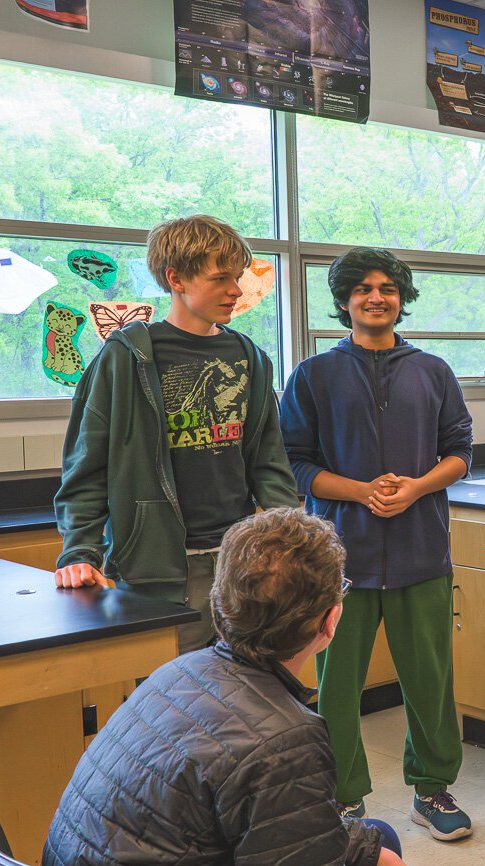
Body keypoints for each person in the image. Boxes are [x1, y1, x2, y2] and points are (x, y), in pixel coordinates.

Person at [43, 509, 485, 866]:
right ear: (330, 621)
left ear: (221, 602)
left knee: (376, 837)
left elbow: (271, 834)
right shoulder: (285, 739)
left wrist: (373, 856)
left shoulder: (179, 672)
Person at [278, 248, 475, 839]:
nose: (376, 296)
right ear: (343, 301)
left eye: (388, 287)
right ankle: (342, 799)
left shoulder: (432, 370)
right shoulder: (314, 375)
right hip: (339, 559)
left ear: (401, 298)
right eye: (362, 288)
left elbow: (461, 452)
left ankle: (433, 790)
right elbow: (296, 462)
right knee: (336, 684)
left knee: (430, 680)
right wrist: (362, 492)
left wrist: (415, 489)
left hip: (421, 551)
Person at [54, 214, 299, 653]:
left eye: (238, 277)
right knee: (164, 700)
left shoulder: (251, 358)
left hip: (238, 564)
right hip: (157, 568)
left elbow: (268, 461)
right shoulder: (124, 358)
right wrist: (79, 553)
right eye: (220, 278)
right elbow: (86, 467)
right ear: (176, 278)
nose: (236, 291)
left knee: (237, 698)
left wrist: (293, 540)